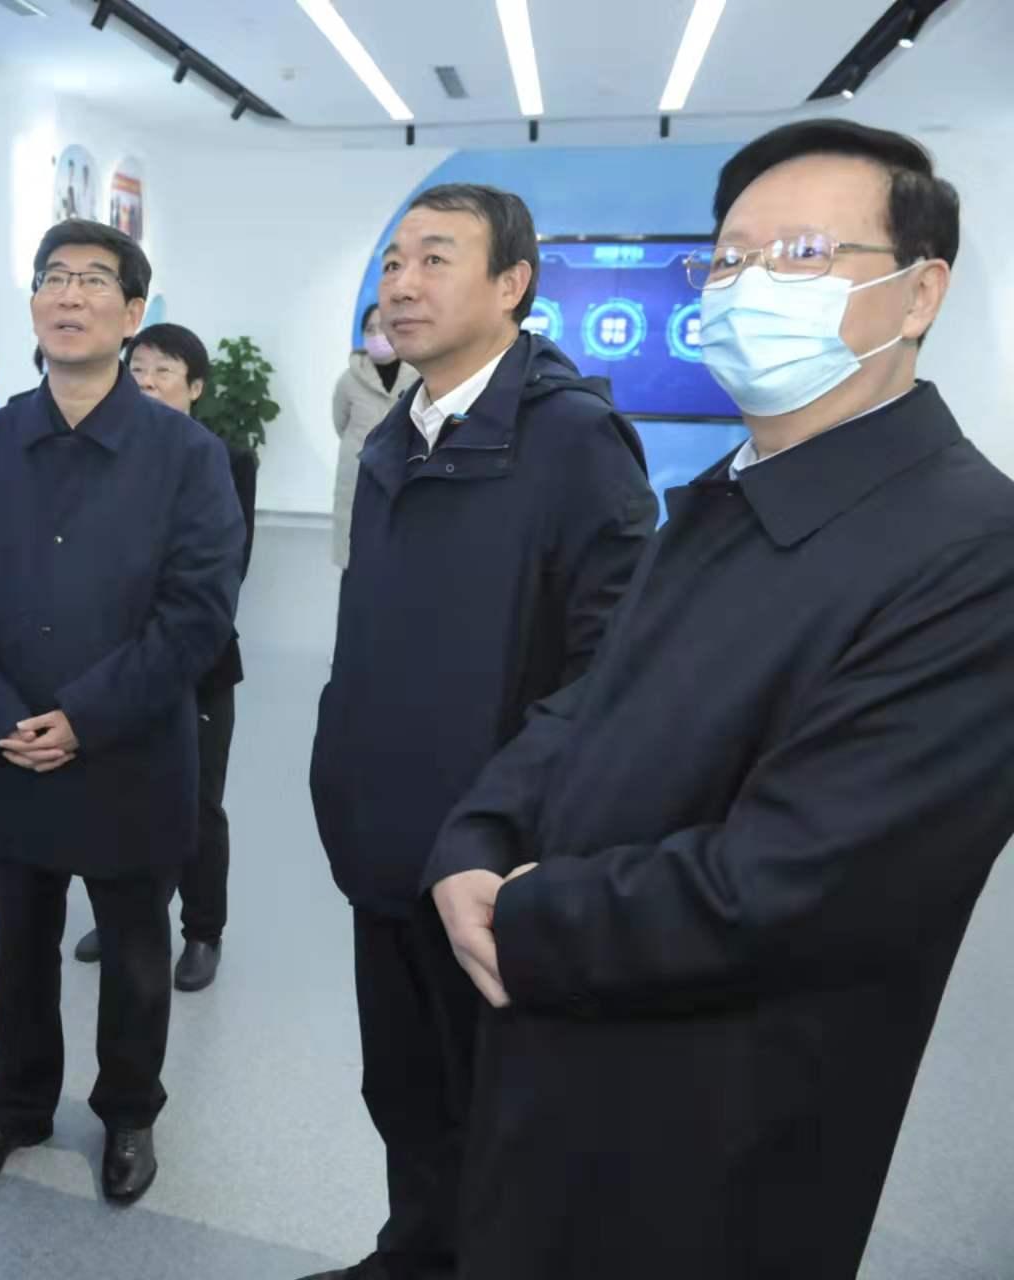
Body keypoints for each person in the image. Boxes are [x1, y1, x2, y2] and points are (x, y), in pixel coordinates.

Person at [422, 120, 1014, 1279]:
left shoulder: (974, 551)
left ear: (918, 293)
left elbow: (802, 881)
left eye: (803, 253)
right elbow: (588, 701)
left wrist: (523, 913)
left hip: (721, 1124)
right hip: (556, 1055)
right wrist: (474, 836)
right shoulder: (720, 495)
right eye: (729, 259)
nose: (748, 287)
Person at [301, 185, 658, 1280]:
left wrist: (505, 824)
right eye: (392, 261)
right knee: (405, 1088)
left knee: (496, 1107)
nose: (400, 285)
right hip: (382, 840)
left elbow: (613, 670)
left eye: (435, 259)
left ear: (513, 285)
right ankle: (413, 1253)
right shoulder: (394, 433)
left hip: (489, 860)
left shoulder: (575, 441)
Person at [0, 221, 244, 1205]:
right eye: (53, 277)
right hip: (11, 753)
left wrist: (83, 716)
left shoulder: (187, 455)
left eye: (94, 281)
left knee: (137, 955)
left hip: (129, 754)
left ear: (133, 312)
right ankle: (17, 1107)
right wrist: (1, 718)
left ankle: (129, 1113)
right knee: (17, 951)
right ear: (33, 303)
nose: (69, 295)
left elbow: (197, 613)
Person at [72, 322, 257, 992]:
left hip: (197, 665)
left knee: (197, 805)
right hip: (113, 663)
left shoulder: (227, 460)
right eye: (139, 369)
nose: (147, 383)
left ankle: (203, 930)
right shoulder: (103, 452)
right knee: (112, 797)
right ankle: (122, 916)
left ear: (196, 387)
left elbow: (225, 572)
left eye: (164, 372)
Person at [330, 303, 415, 569]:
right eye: (370, 329)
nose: (378, 335)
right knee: (356, 561)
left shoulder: (418, 376)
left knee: (398, 562)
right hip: (357, 474)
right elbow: (341, 423)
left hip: (404, 475)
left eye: (384, 327)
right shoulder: (348, 380)